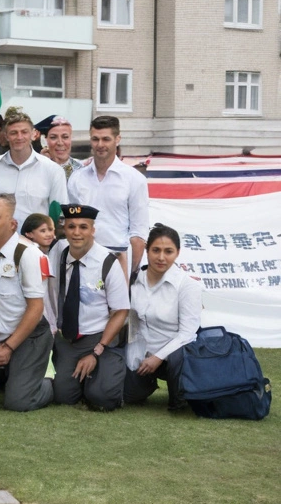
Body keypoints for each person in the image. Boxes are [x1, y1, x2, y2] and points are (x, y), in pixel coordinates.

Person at [0, 195, 54, 412]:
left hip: (29, 338)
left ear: (12, 224)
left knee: (18, 402)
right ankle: (13, 375)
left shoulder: (27, 253)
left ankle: (47, 381)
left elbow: (36, 308)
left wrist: (9, 348)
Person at [47, 204, 129, 411]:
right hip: (68, 338)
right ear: (64, 230)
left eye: (83, 227)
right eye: (71, 226)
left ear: (93, 230)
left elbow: (121, 312)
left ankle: (105, 371)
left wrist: (96, 350)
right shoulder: (57, 252)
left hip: (98, 337)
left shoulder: (107, 261)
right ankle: (87, 377)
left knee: (102, 397)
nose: (76, 233)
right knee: (63, 396)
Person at [124, 224, 201, 411]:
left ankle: (180, 393)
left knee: (178, 364)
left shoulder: (187, 285)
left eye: (168, 251)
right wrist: (134, 356)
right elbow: (132, 323)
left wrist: (158, 357)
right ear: (147, 251)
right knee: (128, 396)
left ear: (178, 253)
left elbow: (188, 333)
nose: (161, 257)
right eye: (156, 250)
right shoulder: (134, 280)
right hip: (143, 354)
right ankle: (147, 383)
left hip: (175, 356)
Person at [67, 116, 149, 275]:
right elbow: (72, 223)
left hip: (118, 258)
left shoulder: (134, 179)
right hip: (84, 259)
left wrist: (129, 273)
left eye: (106, 139)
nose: (100, 145)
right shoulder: (77, 178)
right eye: (95, 139)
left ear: (117, 139)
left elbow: (139, 233)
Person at [0, 107, 68, 228]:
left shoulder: (53, 170)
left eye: (24, 132)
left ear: (33, 134)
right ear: (6, 136)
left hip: (37, 244)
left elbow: (59, 215)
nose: (19, 137)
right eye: (13, 133)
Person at [35, 115, 82, 180]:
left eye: (65, 137)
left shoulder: (82, 168)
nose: (60, 143)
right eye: (53, 137)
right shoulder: (35, 170)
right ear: (45, 140)